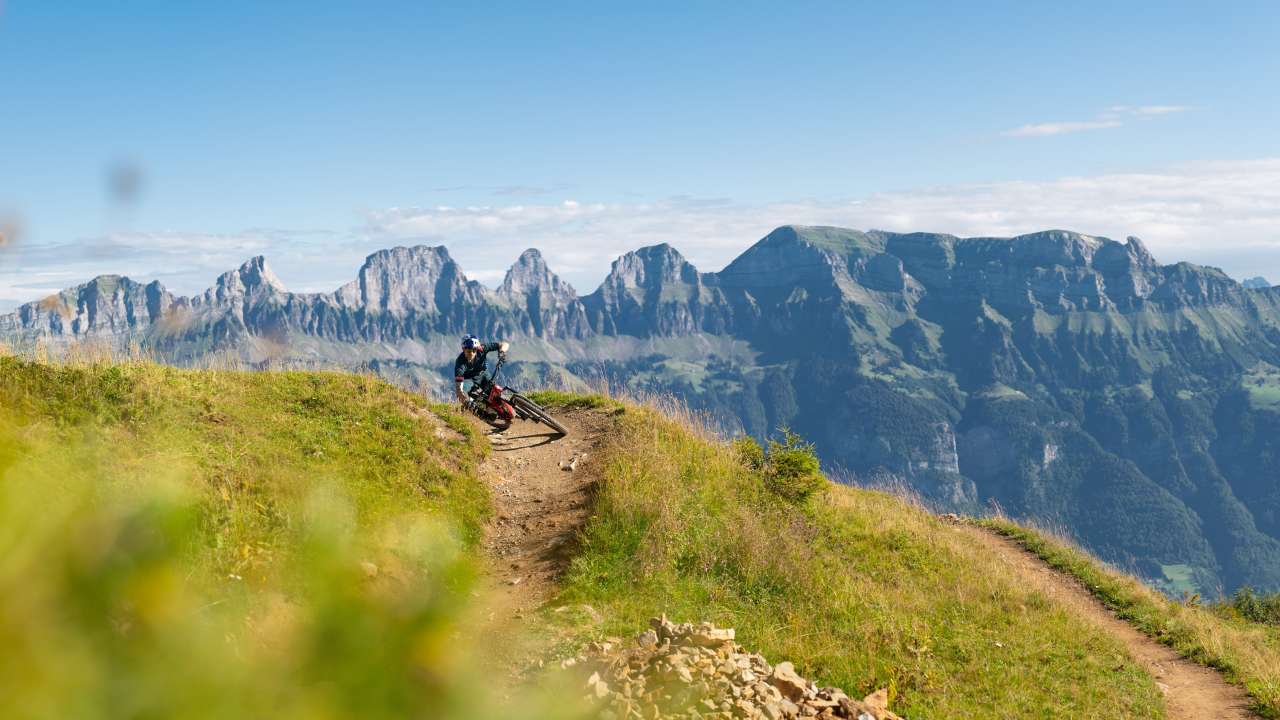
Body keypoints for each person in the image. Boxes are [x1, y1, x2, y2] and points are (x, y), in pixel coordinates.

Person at [454, 335, 509, 406]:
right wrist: (465, 401)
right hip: (469, 380)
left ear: (477, 349)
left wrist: (502, 352)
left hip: (483, 374)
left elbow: (504, 344)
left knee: (496, 395)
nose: (471, 353)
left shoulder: (482, 349)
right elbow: (459, 389)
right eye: (468, 351)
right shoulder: (460, 363)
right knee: (468, 396)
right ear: (463, 349)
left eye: (474, 350)